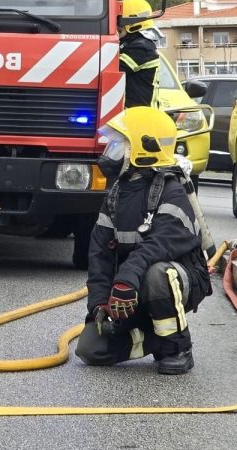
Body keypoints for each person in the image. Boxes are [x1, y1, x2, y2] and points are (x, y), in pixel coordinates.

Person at [76, 106, 211, 374]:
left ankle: (177, 348)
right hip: (131, 286)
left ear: (144, 149)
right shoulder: (117, 193)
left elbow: (158, 247)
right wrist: (100, 303)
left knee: (157, 273)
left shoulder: (171, 192)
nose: (111, 151)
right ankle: (155, 339)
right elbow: (99, 255)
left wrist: (126, 278)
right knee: (91, 349)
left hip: (176, 280)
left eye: (121, 144)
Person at [118, 0, 160, 108]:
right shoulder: (133, 43)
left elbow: (115, 69)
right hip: (136, 111)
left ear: (131, 23)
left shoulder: (141, 48)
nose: (115, 26)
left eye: (118, 21)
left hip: (142, 114)